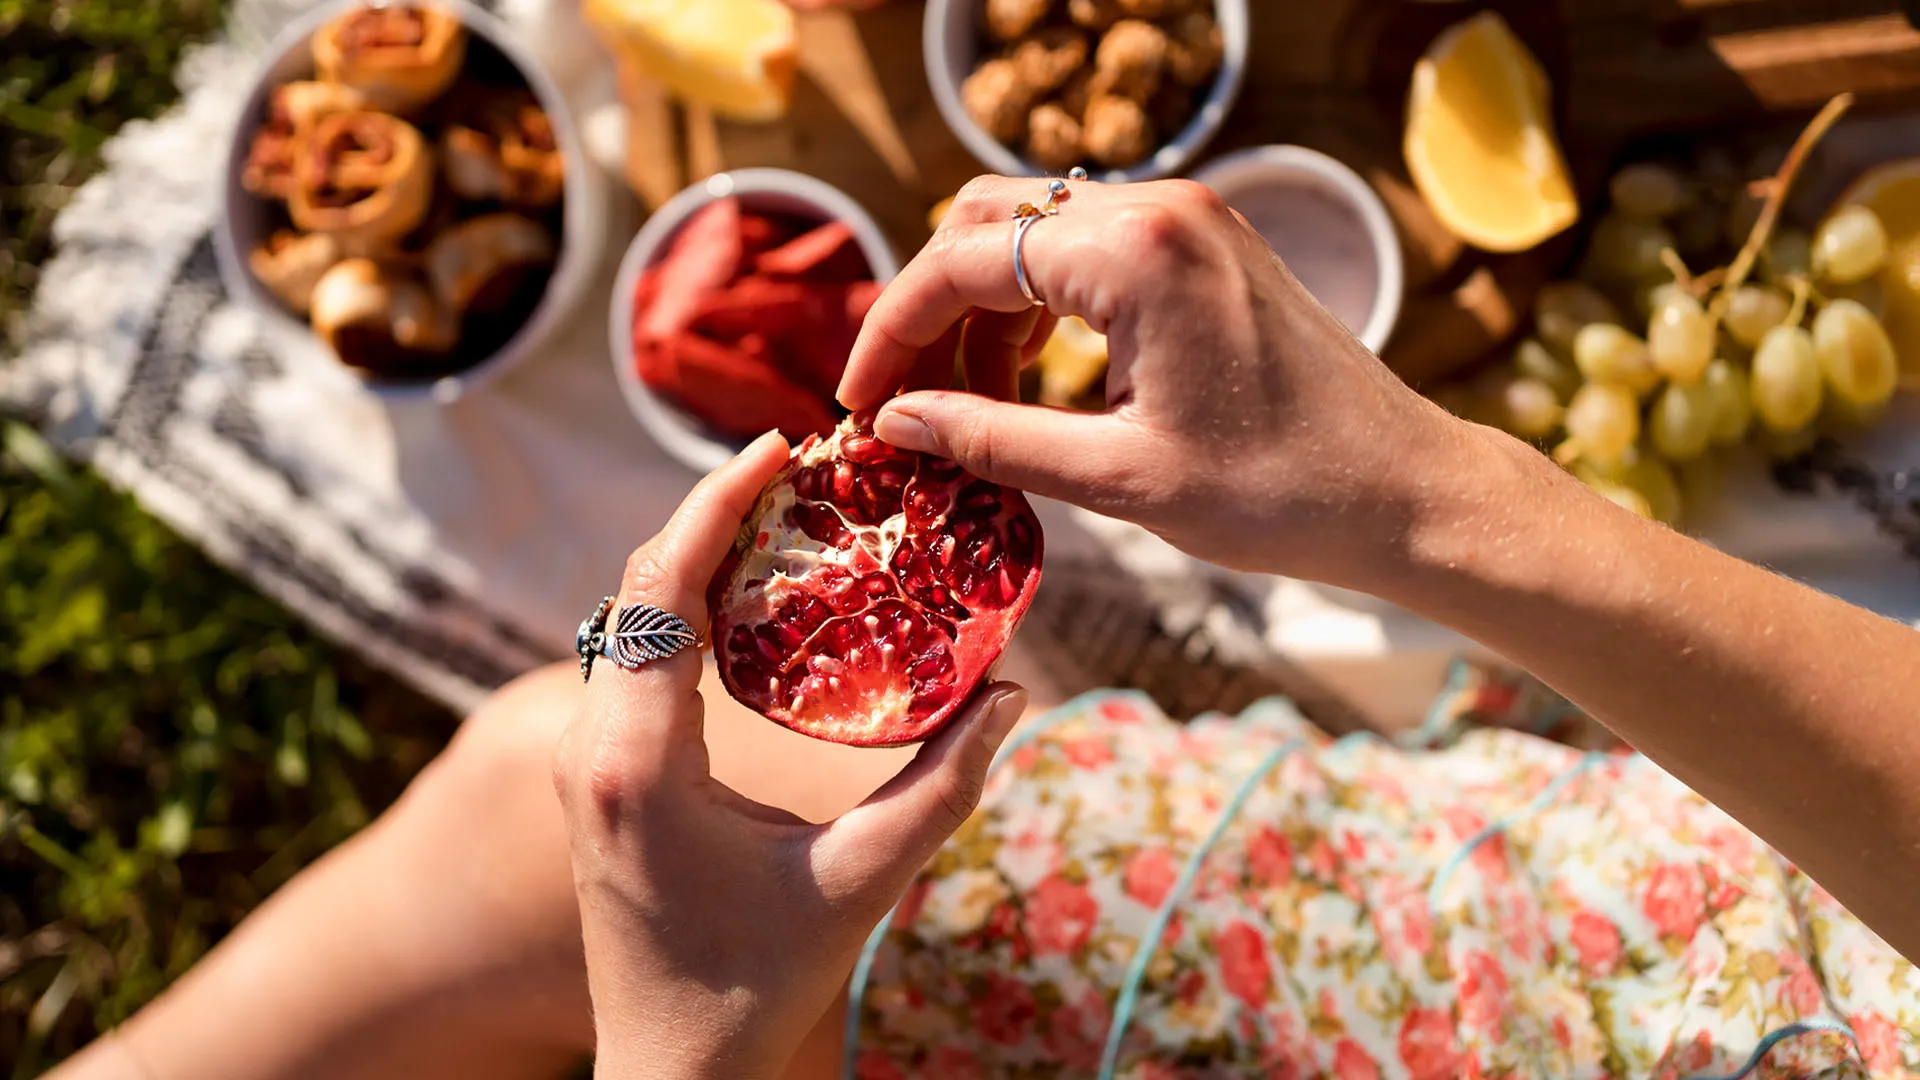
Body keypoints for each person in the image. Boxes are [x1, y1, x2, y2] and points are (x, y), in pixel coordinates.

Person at [51, 175, 1920, 1080]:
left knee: (555, 821)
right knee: (514, 825)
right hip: (1550, 914)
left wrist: (689, 1056)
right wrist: (1446, 503)